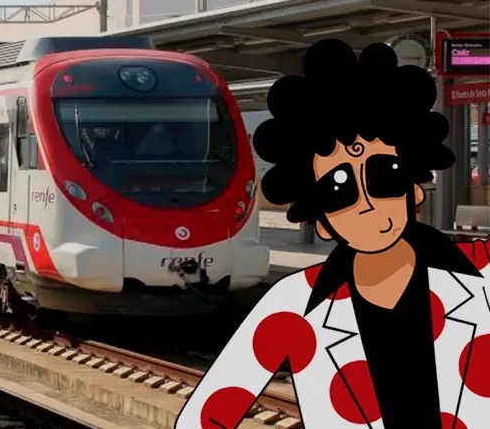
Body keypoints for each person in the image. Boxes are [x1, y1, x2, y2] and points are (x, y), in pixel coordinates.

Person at [176, 39, 489, 428]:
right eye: (338, 191)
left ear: (413, 189)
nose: (368, 202)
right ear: (321, 219)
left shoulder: (484, 275)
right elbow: (204, 418)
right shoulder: (291, 308)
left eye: (384, 176)